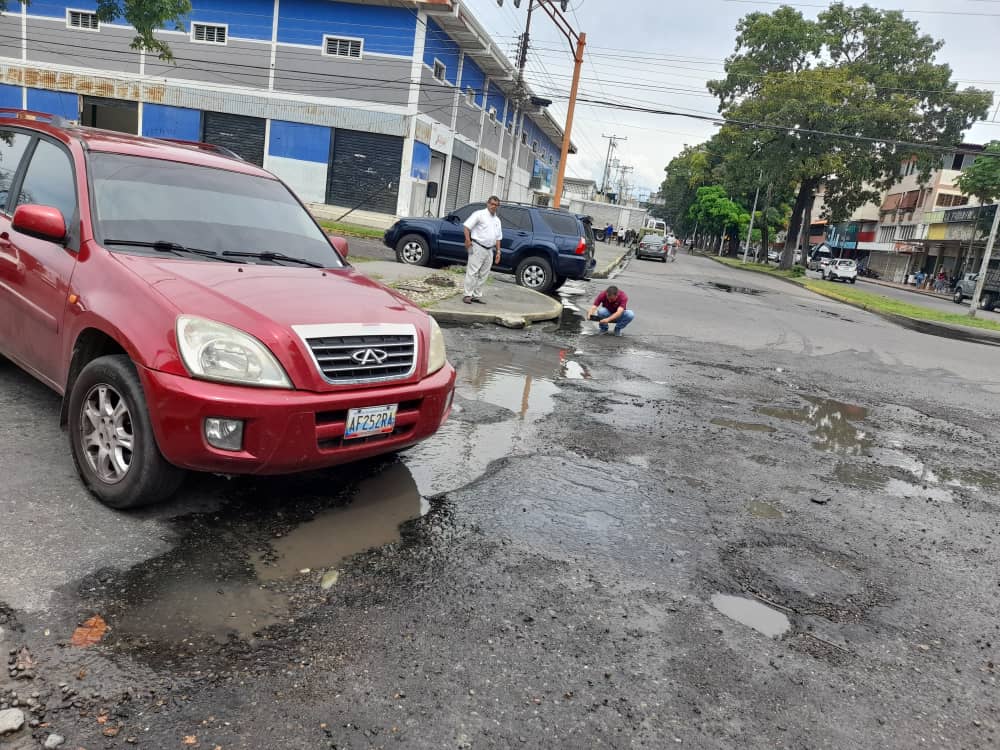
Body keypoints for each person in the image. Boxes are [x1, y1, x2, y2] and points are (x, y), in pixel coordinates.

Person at [462, 195, 502, 304]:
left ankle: (476, 295)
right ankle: (467, 295)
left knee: (484, 274)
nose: (494, 207)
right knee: (473, 272)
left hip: (490, 250)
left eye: (496, 205)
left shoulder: (497, 220)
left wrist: (498, 251)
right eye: (492, 204)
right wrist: (467, 240)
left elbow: (498, 237)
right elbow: (466, 226)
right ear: (488, 204)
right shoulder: (479, 214)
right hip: (478, 246)